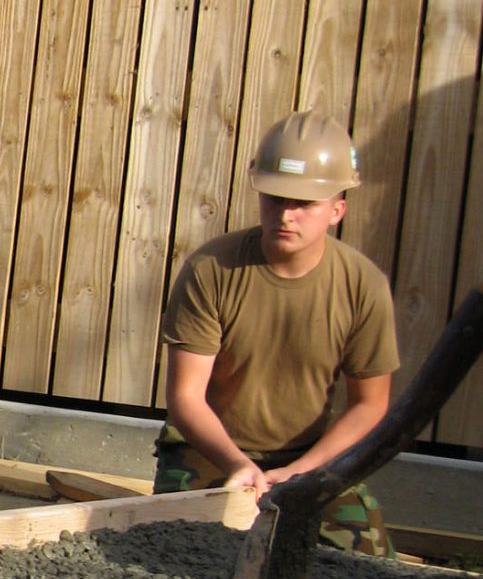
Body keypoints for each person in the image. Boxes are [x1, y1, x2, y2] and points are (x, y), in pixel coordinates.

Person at [154, 111, 398, 556]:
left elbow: (370, 404)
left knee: (369, 570)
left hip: (309, 455)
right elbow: (186, 397)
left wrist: (303, 469)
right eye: (275, 199)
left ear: (337, 210)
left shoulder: (363, 285)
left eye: (304, 204)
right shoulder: (211, 269)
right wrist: (237, 464)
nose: (286, 215)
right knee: (178, 551)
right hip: (208, 450)